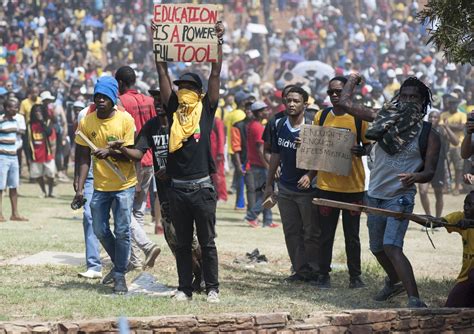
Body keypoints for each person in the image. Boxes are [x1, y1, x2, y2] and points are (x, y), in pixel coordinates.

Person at [338, 74, 441, 307]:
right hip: (374, 194)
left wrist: (416, 176)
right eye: (403, 96)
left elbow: (430, 172)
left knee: (392, 247)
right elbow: (345, 104)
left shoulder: (429, 135)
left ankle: (415, 299)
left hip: (400, 197)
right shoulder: (383, 118)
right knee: (377, 248)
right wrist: (353, 80)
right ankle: (394, 283)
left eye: (413, 97)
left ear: (423, 102)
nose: (407, 101)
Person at [153, 21, 225, 303]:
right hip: (178, 189)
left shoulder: (206, 110)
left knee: (207, 243)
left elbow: (215, 72)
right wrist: (158, 42)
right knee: (182, 244)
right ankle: (184, 288)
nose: (183, 91)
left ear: (199, 92)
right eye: (180, 86)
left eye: (189, 87)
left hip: (202, 189)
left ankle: (213, 288)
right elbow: (162, 71)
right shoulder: (173, 112)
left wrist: (219, 41)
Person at [112, 86, 205, 293]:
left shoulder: (182, 123)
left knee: (192, 239)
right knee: (172, 238)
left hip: (186, 190)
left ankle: (202, 274)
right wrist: (122, 149)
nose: (158, 106)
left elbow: (193, 155)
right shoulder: (151, 126)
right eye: (155, 103)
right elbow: (139, 152)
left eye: (161, 102)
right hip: (165, 193)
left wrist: (171, 170)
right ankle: (193, 273)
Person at [72, 76, 137, 294]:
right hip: (100, 185)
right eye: (97, 96)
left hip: (124, 183)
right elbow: (82, 158)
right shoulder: (87, 122)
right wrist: (79, 189)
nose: (100, 100)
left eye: (105, 97)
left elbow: (132, 154)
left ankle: (119, 275)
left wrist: (110, 151)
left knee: (122, 230)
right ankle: (121, 263)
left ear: (113, 98)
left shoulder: (125, 120)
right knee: (99, 228)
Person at [312, 76, 371, 289]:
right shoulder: (321, 116)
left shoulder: (359, 118)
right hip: (326, 186)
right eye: (331, 92)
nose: (335, 95)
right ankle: (322, 275)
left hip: (353, 187)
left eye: (339, 91)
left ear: (348, 93)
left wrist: (362, 150)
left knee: (352, 236)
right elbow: (313, 147)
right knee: (325, 235)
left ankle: (355, 277)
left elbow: (370, 145)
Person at [264, 86, 320, 282]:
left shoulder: (314, 124)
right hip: (286, 188)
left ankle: (315, 271)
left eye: (296, 101)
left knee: (311, 232)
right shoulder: (278, 124)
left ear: (306, 104)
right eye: (288, 100)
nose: (291, 104)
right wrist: (269, 184)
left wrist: (310, 174)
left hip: (307, 190)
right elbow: (274, 155)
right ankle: (300, 271)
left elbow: (323, 156)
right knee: (291, 232)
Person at [115, 65, 161, 271]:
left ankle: (136, 254)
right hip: (149, 159)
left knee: (124, 210)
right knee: (139, 211)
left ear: (120, 83)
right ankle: (135, 255)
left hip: (131, 160)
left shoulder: (121, 102)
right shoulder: (149, 101)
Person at [416, 192, 474, 307]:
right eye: (464, 204)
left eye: (470, 204)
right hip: (466, 277)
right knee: (450, 309)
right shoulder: (460, 217)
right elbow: (435, 222)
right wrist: (409, 216)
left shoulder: (466, 221)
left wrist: (471, 223)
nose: (465, 207)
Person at [74, 105, 102, 279]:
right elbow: (80, 149)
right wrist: (78, 179)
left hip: (115, 173)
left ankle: (121, 262)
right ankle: (94, 265)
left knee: (121, 220)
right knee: (89, 216)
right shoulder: (84, 115)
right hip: (91, 172)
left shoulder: (122, 114)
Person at [418, 110, 459, 217]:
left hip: (438, 166)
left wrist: (447, 127)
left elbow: (456, 142)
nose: (432, 119)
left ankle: (437, 218)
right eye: (431, 117)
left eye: (435, 117)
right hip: (424, 165)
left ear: (439, 119)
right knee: (422, 192)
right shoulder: (424, 130)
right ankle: (428, 216)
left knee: (438, 194)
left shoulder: (442, 130)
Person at [244, 101, 276, 228]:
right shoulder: (257, 127)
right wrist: (267, 165)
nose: (267, 112)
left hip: (255, 164)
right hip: (260, 165)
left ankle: (267, 220)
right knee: (268, 192)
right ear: (259, 112)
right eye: (264, 110)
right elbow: (260, 148)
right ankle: (251, 216)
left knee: (261, 193)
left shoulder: (253, 125)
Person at [0, 98, 28, 222]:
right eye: (13, 107)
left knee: (13, 185)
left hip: (13, 156)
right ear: (6, 108)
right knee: (0, 187)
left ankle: (14, 213)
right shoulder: (0, 121)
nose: (15, 109)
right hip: (2, 157)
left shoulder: (16, 120)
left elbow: (20, 133)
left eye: (16, 107)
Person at [27, 104, 56, 198]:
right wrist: (28, 155)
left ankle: (50, 192)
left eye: (39, 111)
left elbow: (49, 132)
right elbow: (27, 140)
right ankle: (44, 192)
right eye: (35, 111)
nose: (37, 113)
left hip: (47, 152)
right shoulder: (29, 124)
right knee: (38, 174)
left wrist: (42, 121)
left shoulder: (47, 122)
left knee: (51, 173)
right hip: (35, 153)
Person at [441, 92, 467, 196]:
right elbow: (442, 128)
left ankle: (456, 187)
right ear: (449, 104)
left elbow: (462, 127)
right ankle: (446, 187)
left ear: (457, 104)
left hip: (459, 144)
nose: (453, 105)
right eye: (451, 103)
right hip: (446, 144)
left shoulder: (462, 114)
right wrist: (454, 125)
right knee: (445, 167)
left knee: (458, 168)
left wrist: (448, 126)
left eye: (455, 104)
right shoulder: (443, 115)